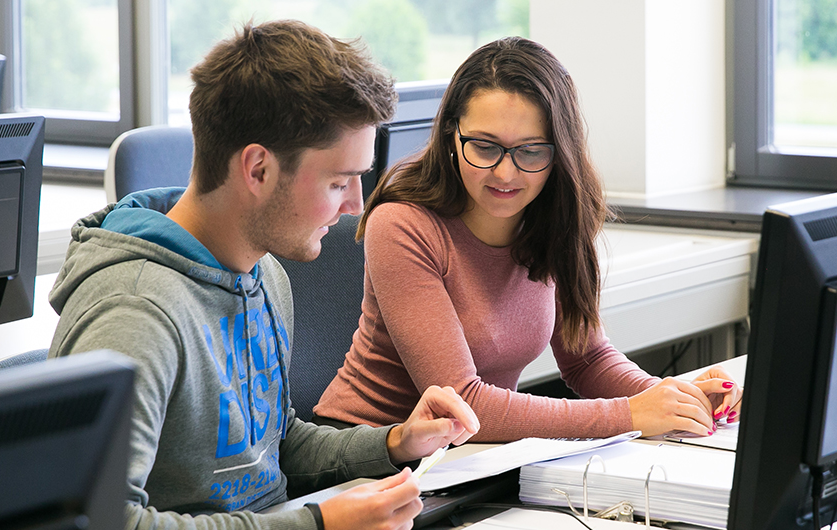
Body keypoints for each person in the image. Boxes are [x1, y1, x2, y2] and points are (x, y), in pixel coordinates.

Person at [47, 20, 479, 530]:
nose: (355, 207)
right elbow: (99, 522)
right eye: (340, 181)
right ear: (257, 170)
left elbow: (276, 447)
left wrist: (394, 442)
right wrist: (317, 526)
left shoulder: (265, 273)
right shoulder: (136, 314)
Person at [313, 37, 742, 442]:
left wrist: (670, 398)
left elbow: (587, 358)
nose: (505, 173)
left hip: (470, 458)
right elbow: (462, 402)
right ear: (450, 137)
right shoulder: (403, 224)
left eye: (531, 151)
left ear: (560, 153)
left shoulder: (554, 219)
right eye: (484, 147)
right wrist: (631, 414)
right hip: (367, 457)